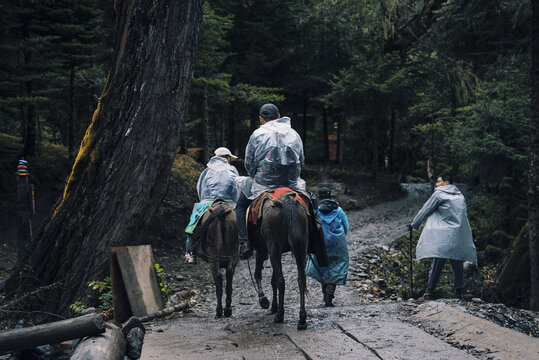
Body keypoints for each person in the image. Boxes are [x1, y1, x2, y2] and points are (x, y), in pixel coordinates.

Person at [236, 103, 306, 259]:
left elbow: (249, 162)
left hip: (264, 185)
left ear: (261, 119)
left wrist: (254, 174)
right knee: (311, 204)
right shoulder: (293, 133)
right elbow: (301, 160)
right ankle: (315, 239)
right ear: (279, 117)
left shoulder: (257, 134)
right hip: (292, 184)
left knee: (240, 206)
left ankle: (244, 243)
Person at [408, 173, 477, 299]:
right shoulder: (460, 196)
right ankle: (459, 292)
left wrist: (414, 224)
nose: (436, 184)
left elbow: (425, 209)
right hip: (457, 236)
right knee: (457, 263)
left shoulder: (439, 193)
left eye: (439, 181)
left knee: (437, 263)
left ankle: (429, 292)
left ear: (446, 183)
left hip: (443, 236)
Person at [184, 147, 239, 263]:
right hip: (229, 202)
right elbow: (236, 188)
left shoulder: (207, 171)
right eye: (230, 158)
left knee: (193, 224)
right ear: (227, 157)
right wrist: (235, 202)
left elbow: (200, 188)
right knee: (243, 220)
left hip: (207, 202)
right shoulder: (232, 170)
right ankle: (245, 245)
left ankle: (191, 252)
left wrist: (203, 201)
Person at [306, 187, 349, 306]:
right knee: (337, 266)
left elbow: (311, 228)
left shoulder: (315, 211)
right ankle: (329, 295)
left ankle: (325, 294)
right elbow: (346, 227)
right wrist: (339, 238)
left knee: (322, 265)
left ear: (319, 197)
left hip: (320, 243)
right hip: (338, 243)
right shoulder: (339, 210)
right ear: (330, 196)